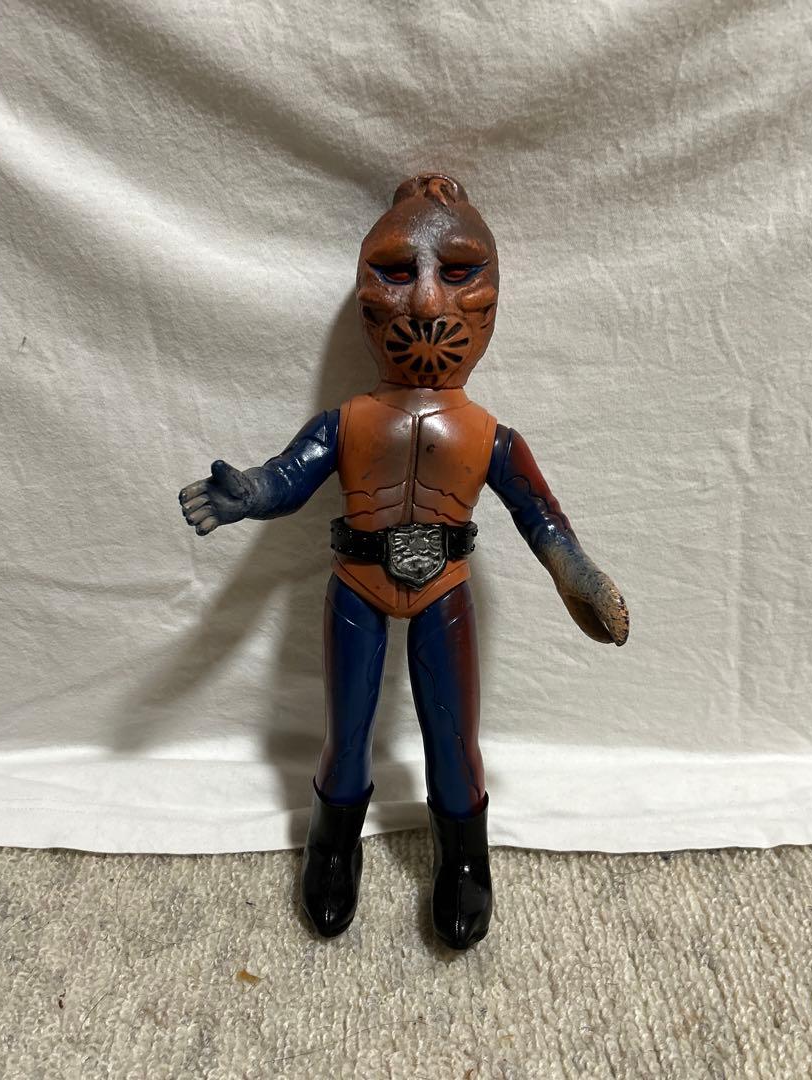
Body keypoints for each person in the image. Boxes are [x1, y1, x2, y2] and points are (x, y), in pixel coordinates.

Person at [178, 174, 629, 950]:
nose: (425, 301)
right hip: (356, 584)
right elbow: (289, 477)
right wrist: (249, 492)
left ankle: (464, 860)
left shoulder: (491, 438)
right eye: (396, 270)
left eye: (458, 272)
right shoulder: (346, 422)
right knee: (345, 731)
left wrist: (579, 576)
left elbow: (542, 518)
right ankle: (333, 845)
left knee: (453, 738)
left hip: (444, 589)